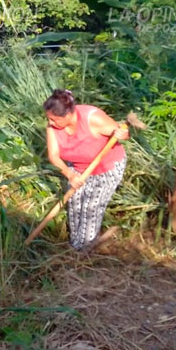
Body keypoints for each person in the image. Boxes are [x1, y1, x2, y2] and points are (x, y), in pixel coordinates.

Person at [43, 89, 129, 251]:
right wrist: (69, 174)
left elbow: (122, 133)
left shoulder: (92, 118)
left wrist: (122, 133)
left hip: (106, 168)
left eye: (54, 119)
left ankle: (83, 251)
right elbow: (53, 155)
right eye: (49, 119)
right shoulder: (52, 126)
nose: (50, 123)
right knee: (75, 205)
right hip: (77, 168)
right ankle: (75, 244)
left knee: (91, 208)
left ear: (68, 115)